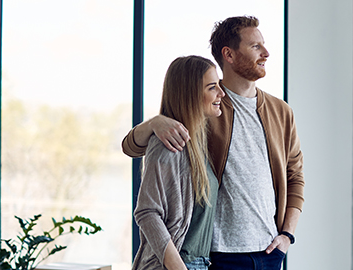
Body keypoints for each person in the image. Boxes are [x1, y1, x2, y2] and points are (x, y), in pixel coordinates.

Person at [124, 16, 304, 270]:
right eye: (255, 46)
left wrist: (287, 235)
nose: (266, 53)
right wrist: (154, 123)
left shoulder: (281, 112)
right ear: (228, 54)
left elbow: (295, 175)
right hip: (216, 255)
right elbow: (132, 148)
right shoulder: (207, 106)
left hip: (270, 252)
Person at [125, 55, 225, 270]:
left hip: (199, 263)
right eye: (212, 87)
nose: (221, 93)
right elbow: (147, 212)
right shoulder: (167, 144)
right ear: (190, 94)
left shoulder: (196, 143)